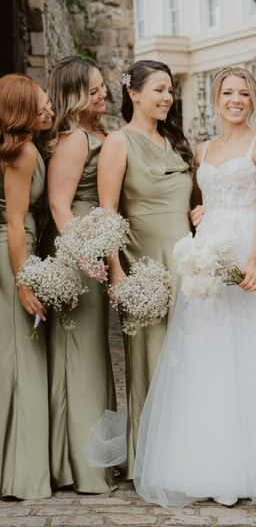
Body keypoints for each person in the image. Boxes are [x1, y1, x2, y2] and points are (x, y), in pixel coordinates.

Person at [134, 66, 256, 508]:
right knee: (208, 355)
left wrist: (253, 261)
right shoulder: (202, 149)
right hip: (210, 257)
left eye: (244, 93)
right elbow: (202, 203)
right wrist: (200, 221)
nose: (236, 100)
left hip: (252, 252)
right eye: (228, 93)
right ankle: (209, 466)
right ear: (215, 99)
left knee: (254, 355)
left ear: (253, 100)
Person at [98, 59, 193, 478]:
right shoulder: (119, 142)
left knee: (188, 360)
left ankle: (188, 454)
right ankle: (150, 461)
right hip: (144, 267)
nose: (166, 97)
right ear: (133, 93)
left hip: (187, 264)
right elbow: (107, 211)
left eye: (170, 90)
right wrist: (116, 270)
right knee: (151, 360)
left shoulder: (175, 141)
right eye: (158, 89)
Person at [40, 56, 117, 492]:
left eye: (103, 86)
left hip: (96, 245)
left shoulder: (98, 134)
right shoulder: (73, 140)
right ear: (72, 95)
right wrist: (83, 254)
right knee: (78, 353)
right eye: (93, 89)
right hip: (77, 248)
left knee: (92, 351)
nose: (102, 93)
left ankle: (97, 456)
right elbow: (58, 205)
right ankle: (79, 465)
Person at [0, 73, 54, 498]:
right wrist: (24, 283)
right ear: (21, 111)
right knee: (23, 359)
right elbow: (16, 223)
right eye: (41, 104)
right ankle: (21, 474)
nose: (49, 109)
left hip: (12, 248)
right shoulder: (23, 152)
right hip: (12, 253)